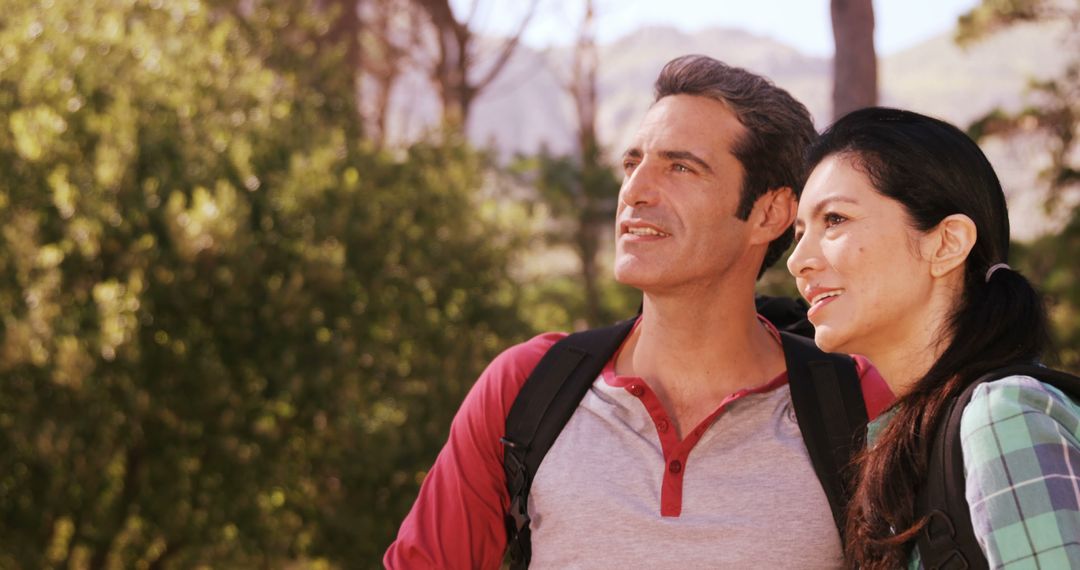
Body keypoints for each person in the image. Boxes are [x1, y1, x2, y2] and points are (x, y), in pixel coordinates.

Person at [385, 55, 892, 568]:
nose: (634, 192)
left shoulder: (860, 403)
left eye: (680, 167)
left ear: (769, 213)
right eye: (632, 164)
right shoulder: (526, 387)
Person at [787, 106, 1080, 569]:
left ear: (946, 243)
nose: (798, 260)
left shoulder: (1001, 416)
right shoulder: (905, 437)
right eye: (799, 233)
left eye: (835, 220)